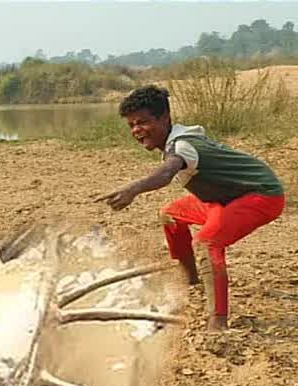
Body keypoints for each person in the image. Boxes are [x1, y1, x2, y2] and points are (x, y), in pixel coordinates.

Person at [95, 85, 286, 331]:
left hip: (260, 195)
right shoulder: (174, 140)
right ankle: (188, 279)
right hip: (224, 198)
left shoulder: (183, 146)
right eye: (131, 125)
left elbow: (166, 173)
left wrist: (133, 189)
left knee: (208, 242)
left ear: (164, 118)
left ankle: (217, 322)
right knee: (170, 215)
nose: (136, 130)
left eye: (142, 122)